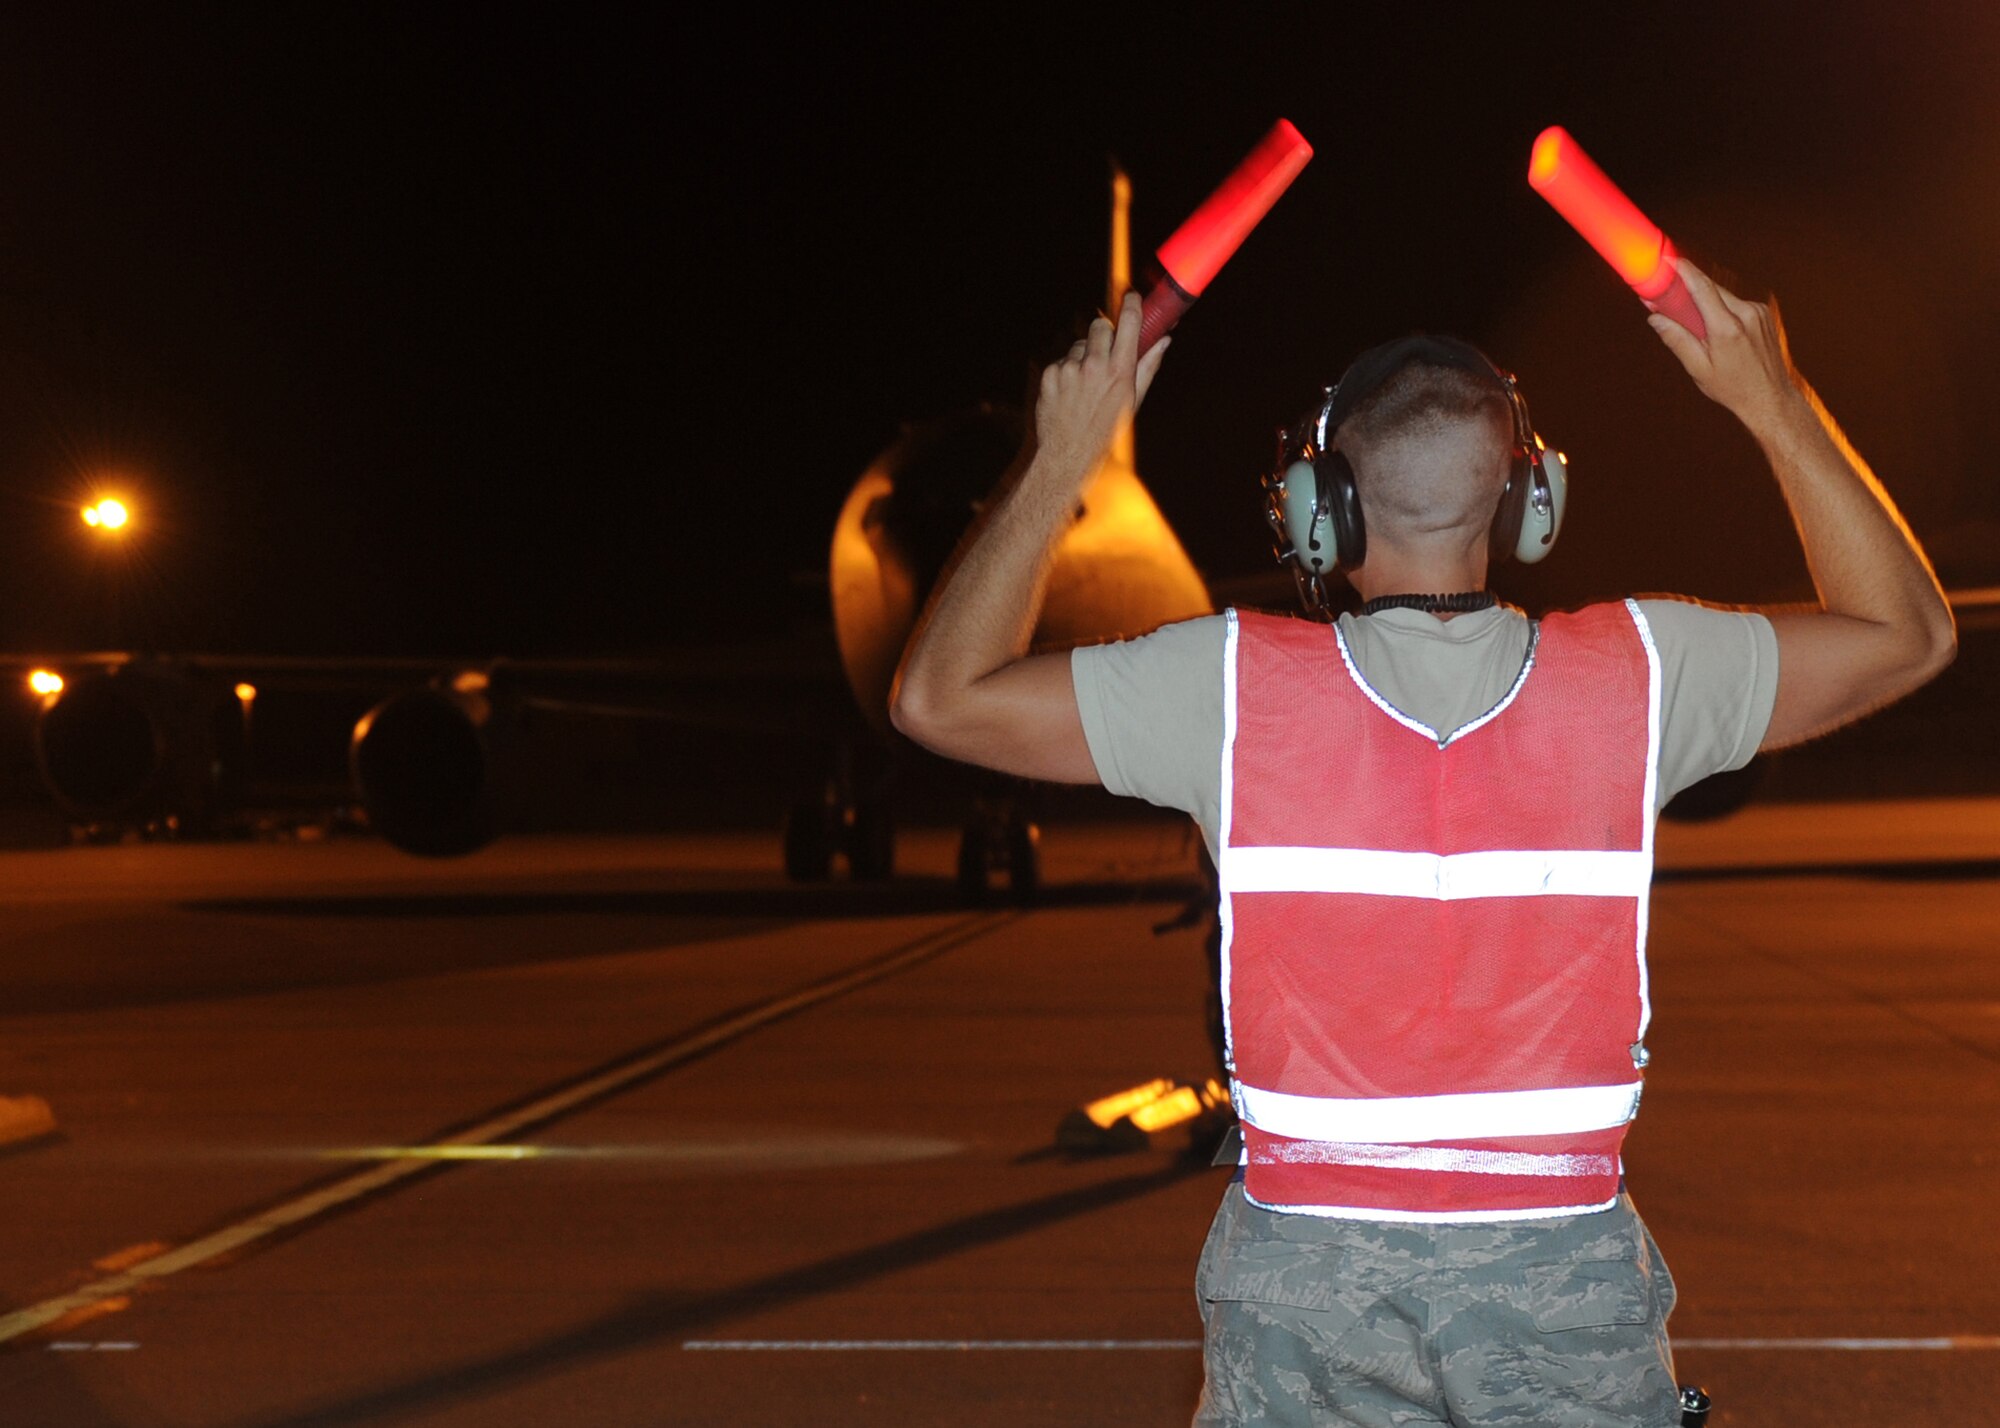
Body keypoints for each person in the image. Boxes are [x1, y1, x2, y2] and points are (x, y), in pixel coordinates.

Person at [891, 263, 1955, 1426]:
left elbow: (938, 697)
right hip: (1565, 1282)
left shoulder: (1230, 689)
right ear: (1524, 499)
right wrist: (1774, 400)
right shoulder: (1639, 676)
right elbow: (1903, 634)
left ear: (1318, 507)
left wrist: (1063, 459)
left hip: (1301, 1290)